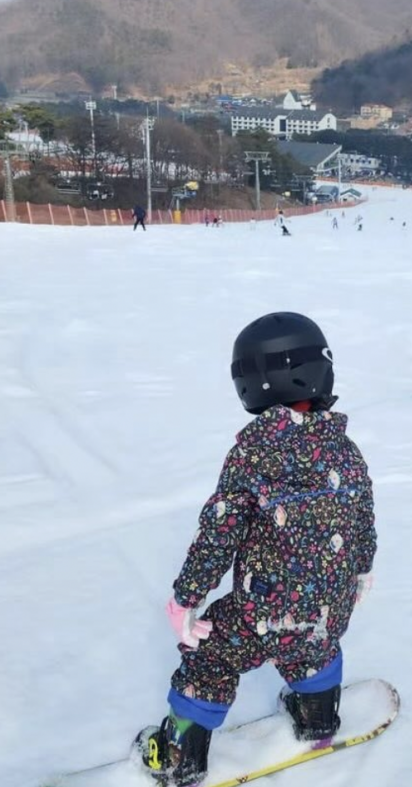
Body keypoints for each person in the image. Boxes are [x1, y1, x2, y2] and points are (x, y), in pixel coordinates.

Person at [138, 313, 376, 786]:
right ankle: (318, 719)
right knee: (316, 643)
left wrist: (187, 599)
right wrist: (361, 570)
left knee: (209, 659)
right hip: (331, 601)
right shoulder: (344, 450)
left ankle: (180, 754)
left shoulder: (253, 453)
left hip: (261, 610)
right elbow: (362, 515)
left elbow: (219, 533)